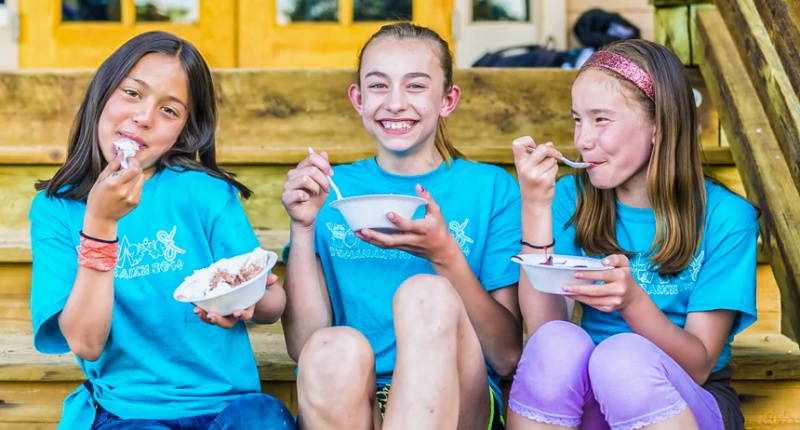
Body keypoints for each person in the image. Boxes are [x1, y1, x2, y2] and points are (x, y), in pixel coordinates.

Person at [29, 31, 295, 430]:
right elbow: (86, 342)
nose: (144, 117)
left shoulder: (205, 193)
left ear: (184, 129)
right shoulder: (56, 210)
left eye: (169, 111)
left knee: (265, 420)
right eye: (132, 93)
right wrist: (101, 225)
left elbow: (272, 303)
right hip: (129, 410)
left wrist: (250, 300)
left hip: (228, 404)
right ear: (102, 92)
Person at [281, 22, 522, 430]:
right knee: (333, 346)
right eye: (378, 86)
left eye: (415, 86)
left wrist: (446, 257)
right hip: (357, 398)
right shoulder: (331, 192)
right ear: (357, 99)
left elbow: (505, 356)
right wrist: (302, 227)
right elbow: (306, 346)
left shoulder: (491, 188)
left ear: (448, 100)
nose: (395, 103)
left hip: (462, 398)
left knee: (425, 293)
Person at [507, 39, 759, 430]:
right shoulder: (571, 198)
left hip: (687, 401)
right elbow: (543, 332)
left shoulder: (727, 217)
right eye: (577, 119)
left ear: (659, 124)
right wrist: (536, 208)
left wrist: (632, 302)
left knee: (622, 356)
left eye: (601, 119)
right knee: (558, 343)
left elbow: (699, 365)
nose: (582, 139)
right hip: (590, 398)